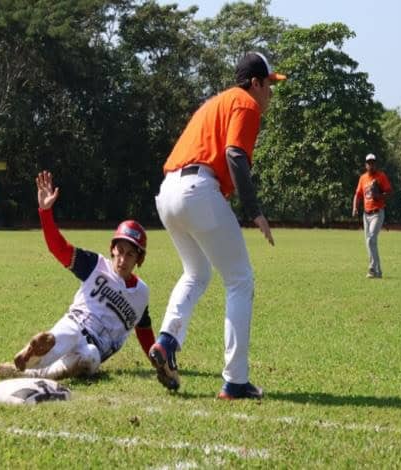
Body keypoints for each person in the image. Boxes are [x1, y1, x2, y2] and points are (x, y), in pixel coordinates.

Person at [149, 52, 286, 400]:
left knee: (196, 273)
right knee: (240, 279)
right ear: (254, 83)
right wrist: (254, 210)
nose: (271, 92)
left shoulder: (216, 102)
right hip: (198, 190)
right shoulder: (246, 103)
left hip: (168, 193)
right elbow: (234, 154)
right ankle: (235, 380)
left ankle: (166, 342)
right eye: (269, 84)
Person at [0, 170, 155, 380]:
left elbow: (144, 331)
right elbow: (59, 248)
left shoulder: (141, 294)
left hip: (94, 346)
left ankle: (28, 374)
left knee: (88, 358)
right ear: (112, 249)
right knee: (63, 336)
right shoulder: (94, 265)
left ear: (139, 260)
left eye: (130, 254)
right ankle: (34, 352)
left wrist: (158, 361)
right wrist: (45, 212)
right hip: (76, 325)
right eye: (120, 251)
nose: (123, 259)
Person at [352, 153, 393, 278]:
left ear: (376, 164)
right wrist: (355, 207)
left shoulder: (381, 176)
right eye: (369, 162)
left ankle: (371, 268)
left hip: (377, 213)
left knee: (370, 239)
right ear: (365, 165)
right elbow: (358, 194)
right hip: (366, 215)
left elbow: (390, 192)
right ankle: (378, 271)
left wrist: (380, 196)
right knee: (370, 242)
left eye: (373, 162)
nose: (371, 164)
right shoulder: (363, 178)